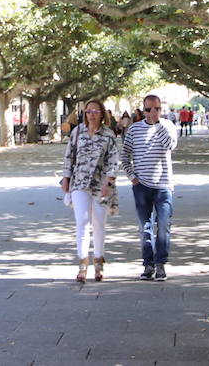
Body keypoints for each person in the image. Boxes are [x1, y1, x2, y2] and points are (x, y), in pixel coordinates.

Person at [60, 98, 120, 283]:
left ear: (102, 114)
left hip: (100, 184)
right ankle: (82, 265)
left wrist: (108, 182)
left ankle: (99, 263)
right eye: (88, 112)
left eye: (95, 111)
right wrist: (66, 178)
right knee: (82, 223)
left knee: (98, 223)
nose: (91, 115)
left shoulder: (108, 135)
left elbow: (113, 160)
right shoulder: (77, 132)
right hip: (79, 183)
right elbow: (69, 156)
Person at [122, 94, 178, 281]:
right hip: (141, 186)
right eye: (148, 109)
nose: (152, 113)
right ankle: (148, 264)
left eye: (156, 109)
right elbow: (125, 155)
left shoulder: (168, 126)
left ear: (161, 109)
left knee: (163, 225)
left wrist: (158, 125)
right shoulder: (134, 129)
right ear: (143, 109)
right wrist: (132, 177)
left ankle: (161, 263)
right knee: (145, 227)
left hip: (163, 185)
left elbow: (169, 145)